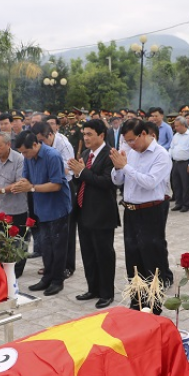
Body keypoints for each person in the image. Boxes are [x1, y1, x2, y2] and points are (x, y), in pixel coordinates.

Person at [112, 119, 172, 313]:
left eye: (132, 140)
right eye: (126, 141)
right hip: (130, 211)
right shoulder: (130, 153)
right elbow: (118, 180)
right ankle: (137, 301)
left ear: (144, 134)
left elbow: (150, 182)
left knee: (151, 260)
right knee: (133, 259)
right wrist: (118, 167)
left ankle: (154, 306)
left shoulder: (161, 155)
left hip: (150, 212)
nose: (130, 144)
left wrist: (126, 167)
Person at [12, 131, 71, 296]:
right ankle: (47, 277)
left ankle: (58, 281)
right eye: (22, 152)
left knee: (58, 246)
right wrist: (20, 185)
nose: (24, 155)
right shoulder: (29, 158)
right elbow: (26, 178)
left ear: (36, 145)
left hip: (58, 207)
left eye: (26, 151)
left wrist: (30, 187)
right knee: (45, 245)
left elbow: (56, 185)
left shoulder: (53, 156)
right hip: (41, 207)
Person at [69, 119, 119, 309]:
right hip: (84, 211)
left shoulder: (110, 155)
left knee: (104, 254)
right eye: (84, 134)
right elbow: (80, 182)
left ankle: (107, 293)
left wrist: (82, 172)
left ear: (101, 135)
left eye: (90, 134)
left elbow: (107, 182)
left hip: (102, 213)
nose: (86, 137)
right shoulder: (85, 153)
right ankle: (93, 288)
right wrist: (75, 174)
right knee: (88, 253)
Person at [32, 121, 77, 279]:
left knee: (66, 231)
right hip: (47, 187)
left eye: (42, 141)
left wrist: (52, 165)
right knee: (49, 231)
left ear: (50, 135)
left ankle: (67, 266)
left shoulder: (62, 144)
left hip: (64, 187)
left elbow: (69, 167)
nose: (40, 145)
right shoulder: (43, 147)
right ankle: (51, 265)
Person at [0, 132, 29, 277]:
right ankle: (2, 270)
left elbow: (19, 183)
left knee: (18, 242)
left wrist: (0, 190)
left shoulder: (19, 159)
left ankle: (17, 272)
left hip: (17, 208)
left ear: (8, 145)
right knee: (0, 241)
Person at [170, 117, 189, 212]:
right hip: (175, 163)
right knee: (176, 184)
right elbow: (172, 148)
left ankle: (185, 204)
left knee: (185, 185)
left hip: (185, 163)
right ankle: (178, 203)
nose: (175, 128)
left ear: (183, 125)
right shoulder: (176, 135)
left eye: (177, 126)